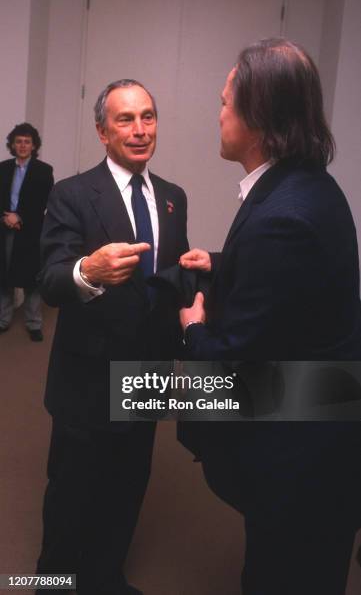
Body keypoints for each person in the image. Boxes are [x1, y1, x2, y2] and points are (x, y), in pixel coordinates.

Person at [179, 39, 361, 595]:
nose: (219, 113)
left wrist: (193, 327)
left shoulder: (281, 217)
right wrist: (225, 261)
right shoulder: (306, 185)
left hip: (302, 458)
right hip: (329, 419)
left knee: (280, 576)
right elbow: (295, 282)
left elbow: (233, 366)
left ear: (258, 115)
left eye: (226, 102)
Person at [36, 79, 188, 595]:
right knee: (71, 498)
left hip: (146, 379)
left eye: (148, 116)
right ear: (102, 131)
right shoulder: (72, 194)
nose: (140, 129)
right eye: (125, 119)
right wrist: (88, 270)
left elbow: (169, 281)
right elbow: (51, 281)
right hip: (87, 382)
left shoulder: (172, 198)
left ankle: (105, 578)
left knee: (127, 490)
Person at [0, 123, 53, 341]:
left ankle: (33, 323)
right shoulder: (2, 168)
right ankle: (3, 319)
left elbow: (44, 202)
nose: (22, 145)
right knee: (3, 275)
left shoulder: (44, 170)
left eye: (27, 142)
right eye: (19, 141)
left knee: (32, 277)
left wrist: (19, 216)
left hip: (30, 230)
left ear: (33, 146)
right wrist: (6, 217)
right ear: (12, 144)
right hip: (4, 228)